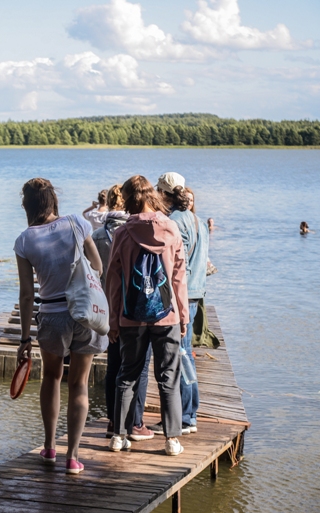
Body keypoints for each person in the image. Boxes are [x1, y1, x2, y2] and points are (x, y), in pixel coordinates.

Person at [15, 178, 108, 475]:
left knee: (51, 379)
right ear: (53, 200)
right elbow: (97, 267)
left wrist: (25, 337)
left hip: (52, 316)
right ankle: (73, 456)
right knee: (79, 383)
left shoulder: (24, 240)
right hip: (84, 312)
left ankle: (49, 447)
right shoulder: (77, 224)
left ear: (27, 206)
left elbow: (28, 294)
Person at [105, 175, 189, 457]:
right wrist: (184, 315)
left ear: (128, 199)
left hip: (131, 316)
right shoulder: (172, 229)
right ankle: (172, 439)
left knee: (127, 374)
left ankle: (119, 435)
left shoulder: (122, 233)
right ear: (152, 196)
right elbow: (178, 277)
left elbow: (113, 280)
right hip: (168, 316)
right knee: (169, 377)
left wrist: (113, 320)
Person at [92, 186, 153, 442]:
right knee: (139, 367)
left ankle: (113, 422)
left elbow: (94, 273)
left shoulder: (97, 235)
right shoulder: (136, 232)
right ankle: (135, 423)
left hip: (107, 308)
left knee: (114, 366)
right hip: (135, 307)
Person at [155, 172, 209, 435]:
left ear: (165, 195)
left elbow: (177, 267)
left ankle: (186, 416)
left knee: (180, 356)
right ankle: (188, 414)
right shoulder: (198, 220)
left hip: (181, 296)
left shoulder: (173, 221)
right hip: (196, 293)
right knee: (186, 355)